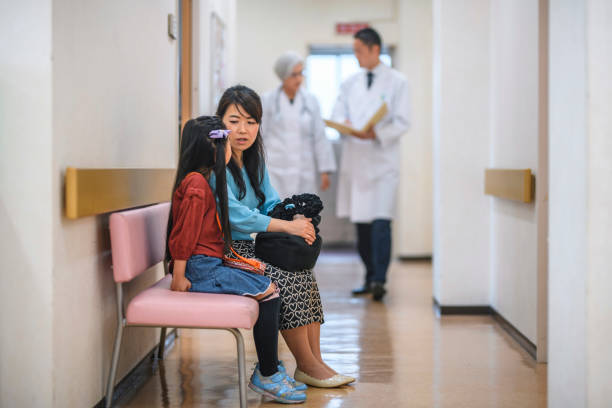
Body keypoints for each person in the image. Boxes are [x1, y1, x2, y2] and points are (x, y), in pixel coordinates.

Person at [214, 85, 354, 388]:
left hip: (245, 248)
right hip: (221, 253)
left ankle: (314, 363)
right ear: (219, 122)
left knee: (303, 271)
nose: (243, 130)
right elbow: (235, 214)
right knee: (283, 277)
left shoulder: (252, 161)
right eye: (234, 120)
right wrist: (286, 227)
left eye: (251, 122)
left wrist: (294, 217)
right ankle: (306, 364)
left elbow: (269, 202)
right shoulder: (215, 163)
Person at [165, 115, 306, 404]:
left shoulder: (202, 181)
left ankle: (271, 369)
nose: (233, 144)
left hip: (208, 263)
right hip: (200, 269)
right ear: (214, 148)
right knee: (268, 292)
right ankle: (266, 374)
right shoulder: (196, 184)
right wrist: (179, 276)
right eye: (227, 140)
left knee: (267, 282)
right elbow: (184, 235)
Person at [331, 27, 411, 301]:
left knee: (380, 224)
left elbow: (402, 121)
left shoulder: (397, 81)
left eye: (359, 51)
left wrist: (376, 133)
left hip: (382, 161)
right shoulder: (349, 82)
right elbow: (337, 113)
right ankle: (368, 277)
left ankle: (379, 279)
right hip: (357, 159)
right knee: (362, 227)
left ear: (375, 49)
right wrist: (348, 125)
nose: (356, 57)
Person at [261, 51, 336, 199]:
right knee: (278, 213)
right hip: (275, 169)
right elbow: (260, 135)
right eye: (293, 75)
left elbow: (320, 137)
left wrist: (324, 170)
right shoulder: (267, 100)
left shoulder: (311, 101)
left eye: (301, 73)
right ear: (283, 76)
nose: (299, 79)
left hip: (304, 170)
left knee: (303, 214)